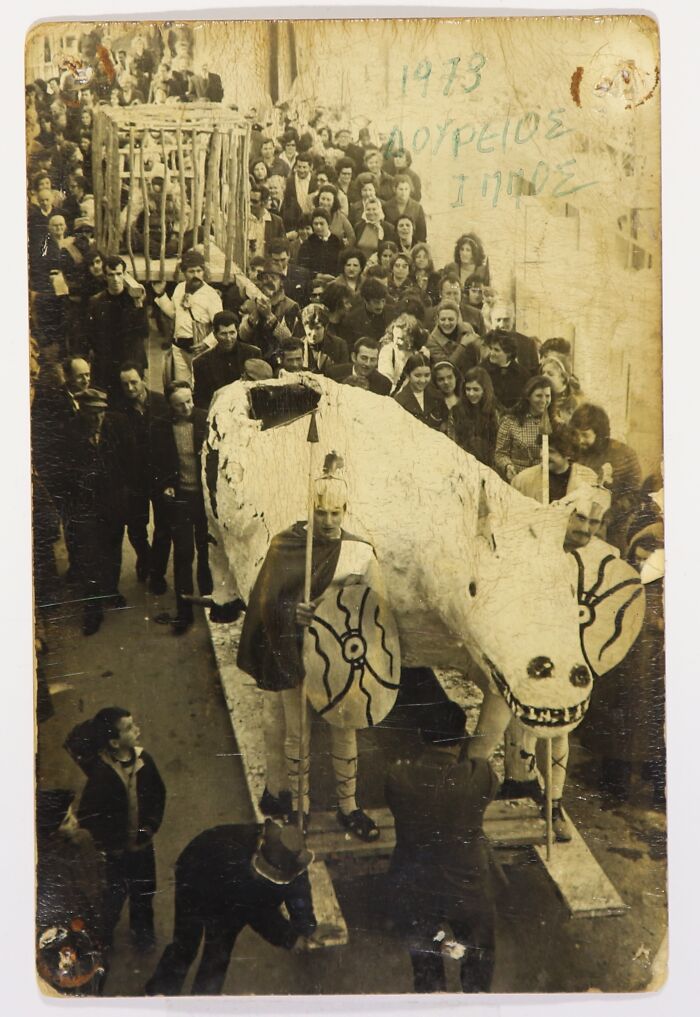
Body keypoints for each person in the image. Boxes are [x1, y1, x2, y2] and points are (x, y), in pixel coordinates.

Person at [237, 468, 384, 841]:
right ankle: (299, 808)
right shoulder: (286, 546)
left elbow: (377, 608)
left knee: (344, 729)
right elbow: (266, 603)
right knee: (297, 733)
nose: (328, 521)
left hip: (340, 659)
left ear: (346, 510)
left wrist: (333, 604)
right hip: (294, 651)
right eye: (321, 512)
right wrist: (292, 612)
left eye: (335, 513)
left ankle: (348, 806)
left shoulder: (359, 552)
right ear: (309, 509)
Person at [385, 700, 499, 994]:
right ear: (462, 738)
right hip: (467, 884)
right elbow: (486, 774)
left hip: (417, 884)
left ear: (420, 735)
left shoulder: (398, 776)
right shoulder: (478, 776)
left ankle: (432, 999)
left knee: (425, 953)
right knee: (479, 949)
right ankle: (476, 999)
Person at [144, 820, 317, 995]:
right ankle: (161, 993)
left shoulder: (292, 856)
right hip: (195, 875)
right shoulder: (238, 861)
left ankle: (203, 1002)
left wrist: (305, 927)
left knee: (217, 954)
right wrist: (290, 938)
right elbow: (258, 914)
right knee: (186, 944)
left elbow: (299, 891)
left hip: (233, 892)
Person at [75, 708, 166, 952]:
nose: (137, 730)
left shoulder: (145, 761)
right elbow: (88, 816)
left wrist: (151, 825)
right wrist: (107, 844)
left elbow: (158, 795)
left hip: (142, 846)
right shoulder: (101, 774)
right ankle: (103, 937)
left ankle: (142, 931)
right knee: (112, 898)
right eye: (129, 728)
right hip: (115, 854)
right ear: (114, 742)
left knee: (144, 891)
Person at [64, 388, 132, 635]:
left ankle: (111, 590)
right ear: (82, 411)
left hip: (114, 502)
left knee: (113, 548)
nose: (98, 418)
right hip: (85, 505)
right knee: (89, 555)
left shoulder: (118, 424)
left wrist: (125, 492)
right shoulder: (71, 430)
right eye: (92, 413)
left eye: (101, 412)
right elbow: (65, 469)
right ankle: (92, 610)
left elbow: (131, 458)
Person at [151, 381, 213, 634]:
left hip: (205, 498)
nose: (187, 408)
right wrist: (165, 484)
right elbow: (156, 463)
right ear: (170, 406)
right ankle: (184, 612)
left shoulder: (206, 420)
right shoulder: (160, 427)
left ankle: (210, 600)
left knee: (208, 550)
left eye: (189, 401)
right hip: (181, 500)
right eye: (179, 404)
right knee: (183, 554)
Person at [36, 789, 106, 995]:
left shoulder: (82, 839)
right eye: (67, 820)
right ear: (50, 832)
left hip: (90, 921)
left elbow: (97, 874)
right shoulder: (45, 864)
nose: (75, 821)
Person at [116, 361, 172, 593]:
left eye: (134, 382)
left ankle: (157, 574)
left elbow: (171, 441)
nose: (130, 388)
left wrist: (170, 479)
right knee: (136, 528)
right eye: (125, 384)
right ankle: (146, 558)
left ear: (143, 379)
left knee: (164, 528)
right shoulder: (118, 409)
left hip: (160, 477)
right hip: (134, 480)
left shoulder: (161, 403)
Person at [570, 403, 642, 550]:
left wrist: (607, 517)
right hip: (577, 528)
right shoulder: (573, 452)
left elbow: (634, 495)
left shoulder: (624, 455)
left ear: (600, 433)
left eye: (585, 435)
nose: (580, 440)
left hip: (612, 530)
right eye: (576, 434)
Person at [153, 249, 223, 386]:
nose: (196, 275)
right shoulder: (179, 288)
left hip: (200, 348)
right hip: (179, 347)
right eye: (191, 271)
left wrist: (206, 344)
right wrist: (161, 294)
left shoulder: (211, 295)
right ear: (184, 272)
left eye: (199, 271)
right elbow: (174, 314)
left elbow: (219, 325)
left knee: (200, 385)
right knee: (182, 386)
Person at [512, 424, 598, 503]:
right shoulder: (522, 481)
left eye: (551, 451)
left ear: (568, 454)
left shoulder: (588, 479)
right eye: (542, 448)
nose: (542, 454)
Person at [193, 311, 261, 409]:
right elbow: (200, 399)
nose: (228, 338)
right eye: (223, 334)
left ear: (237, 331)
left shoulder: (253, 354)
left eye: (232, 333)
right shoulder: (201, 362)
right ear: (214, 334)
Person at [495, 374, 553, 481]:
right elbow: (500, 454)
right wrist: (508, 466)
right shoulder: (510, 422)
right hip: (519, 478)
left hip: (546, 479)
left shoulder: (556, 422)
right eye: (539, 396)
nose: (544, 400)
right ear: (528, 397)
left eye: (547, 396)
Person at [238, 262, 301, 359]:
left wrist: (269, 316)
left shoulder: (291, 306)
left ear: (281, 282)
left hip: (280, 359)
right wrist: (254, 314)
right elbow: (242, 336)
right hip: (254, 358)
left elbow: (290, 340)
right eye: (265, 278)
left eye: (273, 278)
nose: (269, 281)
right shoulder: (250, 303)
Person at [459, 366, 500, 467]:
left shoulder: (495, 412)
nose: (471, 393)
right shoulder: (457, 411)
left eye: (476, 389)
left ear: (485, 390)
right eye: (468, 389)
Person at [394, 353, 447, 429]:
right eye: (417, 375)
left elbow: (445, 423)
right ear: (408, 375)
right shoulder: (399, 401)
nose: (423, 380)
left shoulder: (438, 396)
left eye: (427, 375)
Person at [426, 299, 479, 374]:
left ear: (457, 319)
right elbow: (446, 367)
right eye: (443, 319)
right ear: (437, 320)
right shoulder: (432, 341)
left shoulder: (467, 328)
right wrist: (462, 345)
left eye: (451, 319)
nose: (447, 323)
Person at [483, 330, 531, 412]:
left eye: (496, 350)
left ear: (509, 352)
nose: (491, 353)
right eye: (491, 348)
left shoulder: (523, 374)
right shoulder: (482, 371)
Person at [326, 337, 392, 394]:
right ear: (354, 357)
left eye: (372, 360)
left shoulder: (384, 385)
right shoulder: (333, 375)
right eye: (364, 358)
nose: (368, 364)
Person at [296, 302, 348, 371]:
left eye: (318, 328)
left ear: (325, 327)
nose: (314, 333)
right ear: (304, 327)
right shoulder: (298, 346)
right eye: (310, 328)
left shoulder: (339, 345)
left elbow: (343, 373)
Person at [343, 277, 396, 343]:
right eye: (376, 302)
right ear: (365, 300)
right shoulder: (352, 320)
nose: (380, 306)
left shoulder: (394, 313)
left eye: (383, 301)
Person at [296, 207, 344, 276]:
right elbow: (302, 267)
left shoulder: (336, 241)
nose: (318, 227)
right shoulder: (307, 243)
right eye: (316, 224)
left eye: (322, 224)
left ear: (328, 224)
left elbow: (342, 264)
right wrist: (316, 275)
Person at [540, 351, 584, 424]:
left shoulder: (577, 402)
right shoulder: (539, 398)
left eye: (550, 374)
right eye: (543, 372)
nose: (544, 377)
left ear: (563, 377)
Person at [432, 361, 469, 445]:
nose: (446, 382)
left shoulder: (465, 401)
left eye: (450, 377)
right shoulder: (434, 404)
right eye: (441, 379)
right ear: (435, 382)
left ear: (456, 377)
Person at [383, 175, 427, 242]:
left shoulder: (417, 207)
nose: (403, 193)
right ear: (395, 189)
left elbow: (422, 233)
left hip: (411, 243)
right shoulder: (386, 206)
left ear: (410, 190)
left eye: (406, 189)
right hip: (392, 244)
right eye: (401, 189)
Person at [268, 238, 311, 306]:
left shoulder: (302, 274)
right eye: (276, 260)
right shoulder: (265, 277)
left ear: (289, 256)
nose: (280, 264)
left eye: (283, 260)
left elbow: (307, 302)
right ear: (270, 258)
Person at [280, 151, 315, 233]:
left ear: (311, 167)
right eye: (299, 167)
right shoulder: (289, 181)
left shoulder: (315, 181)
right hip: (293, 223)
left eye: (304, 167)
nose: (301, 170)